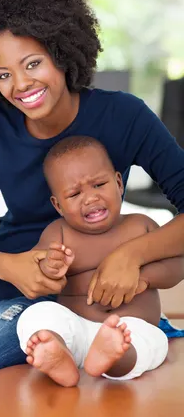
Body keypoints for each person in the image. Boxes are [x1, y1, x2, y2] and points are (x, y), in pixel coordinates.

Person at [0, 0, 184, 417]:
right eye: (3, 74)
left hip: (65, 297)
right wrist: (14, 267)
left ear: (61, 50)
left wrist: (129, 255)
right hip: (1, 281)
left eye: (32, 63)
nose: (20, 85)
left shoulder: (124, 116)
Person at [17, 135, 184, 386]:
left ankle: (114, 359)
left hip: (130, 331)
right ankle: (55, 350)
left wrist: (145, 278)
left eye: (98, 185)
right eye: (74, 194)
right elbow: (38, 271)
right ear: (58, 205)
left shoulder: (141, 226)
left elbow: (177, 267)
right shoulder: (58, 233)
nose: (90, 198)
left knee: (154, 343)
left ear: (118, 183)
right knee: (37, 314)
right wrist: (51, 267)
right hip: (76, 331)